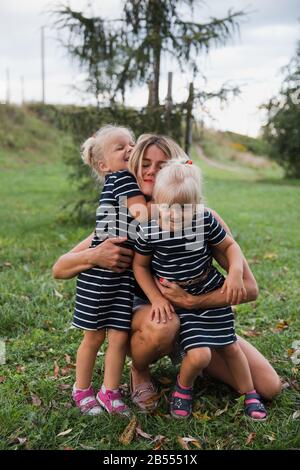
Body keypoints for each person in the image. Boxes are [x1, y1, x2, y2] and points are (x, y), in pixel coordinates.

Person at [52, 133, 281, 414]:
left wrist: (195, 302)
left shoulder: (199, 217)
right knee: (164, 324)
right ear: (133, 167)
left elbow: (250, 289)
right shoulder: (126, 220)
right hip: (151, 316)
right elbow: (60, 268)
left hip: (197, 315)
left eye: (161, 165)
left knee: (269, 387)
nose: (151, 171)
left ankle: (195, 358)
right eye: (144, 163)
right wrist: (94, 255)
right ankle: (140, 370)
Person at [133, 160, 267, 420]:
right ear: (156, 201)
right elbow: (140, 267)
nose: (173, 214)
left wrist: (236, 273)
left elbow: (230, 247)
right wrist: (156, 298)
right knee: (200, 355)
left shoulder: (204, 220)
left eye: (183, 208)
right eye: (167, 207)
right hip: (180, 305)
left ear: (196, 205)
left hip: (209, 292)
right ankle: (183, 388)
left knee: (231, 347)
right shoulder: (148, 230)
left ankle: (250, 394)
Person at [70, 124, 150, 417]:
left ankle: (110, 391)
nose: (130, 149)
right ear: (104, 165)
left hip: (123, 275)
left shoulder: (126, 181)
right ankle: (81, 389)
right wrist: (173, 207)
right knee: (94, 336)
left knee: (118, 335)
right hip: (100, 277)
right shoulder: (122, 180)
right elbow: (144, 216)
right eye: (120, 148)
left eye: (131, 143)